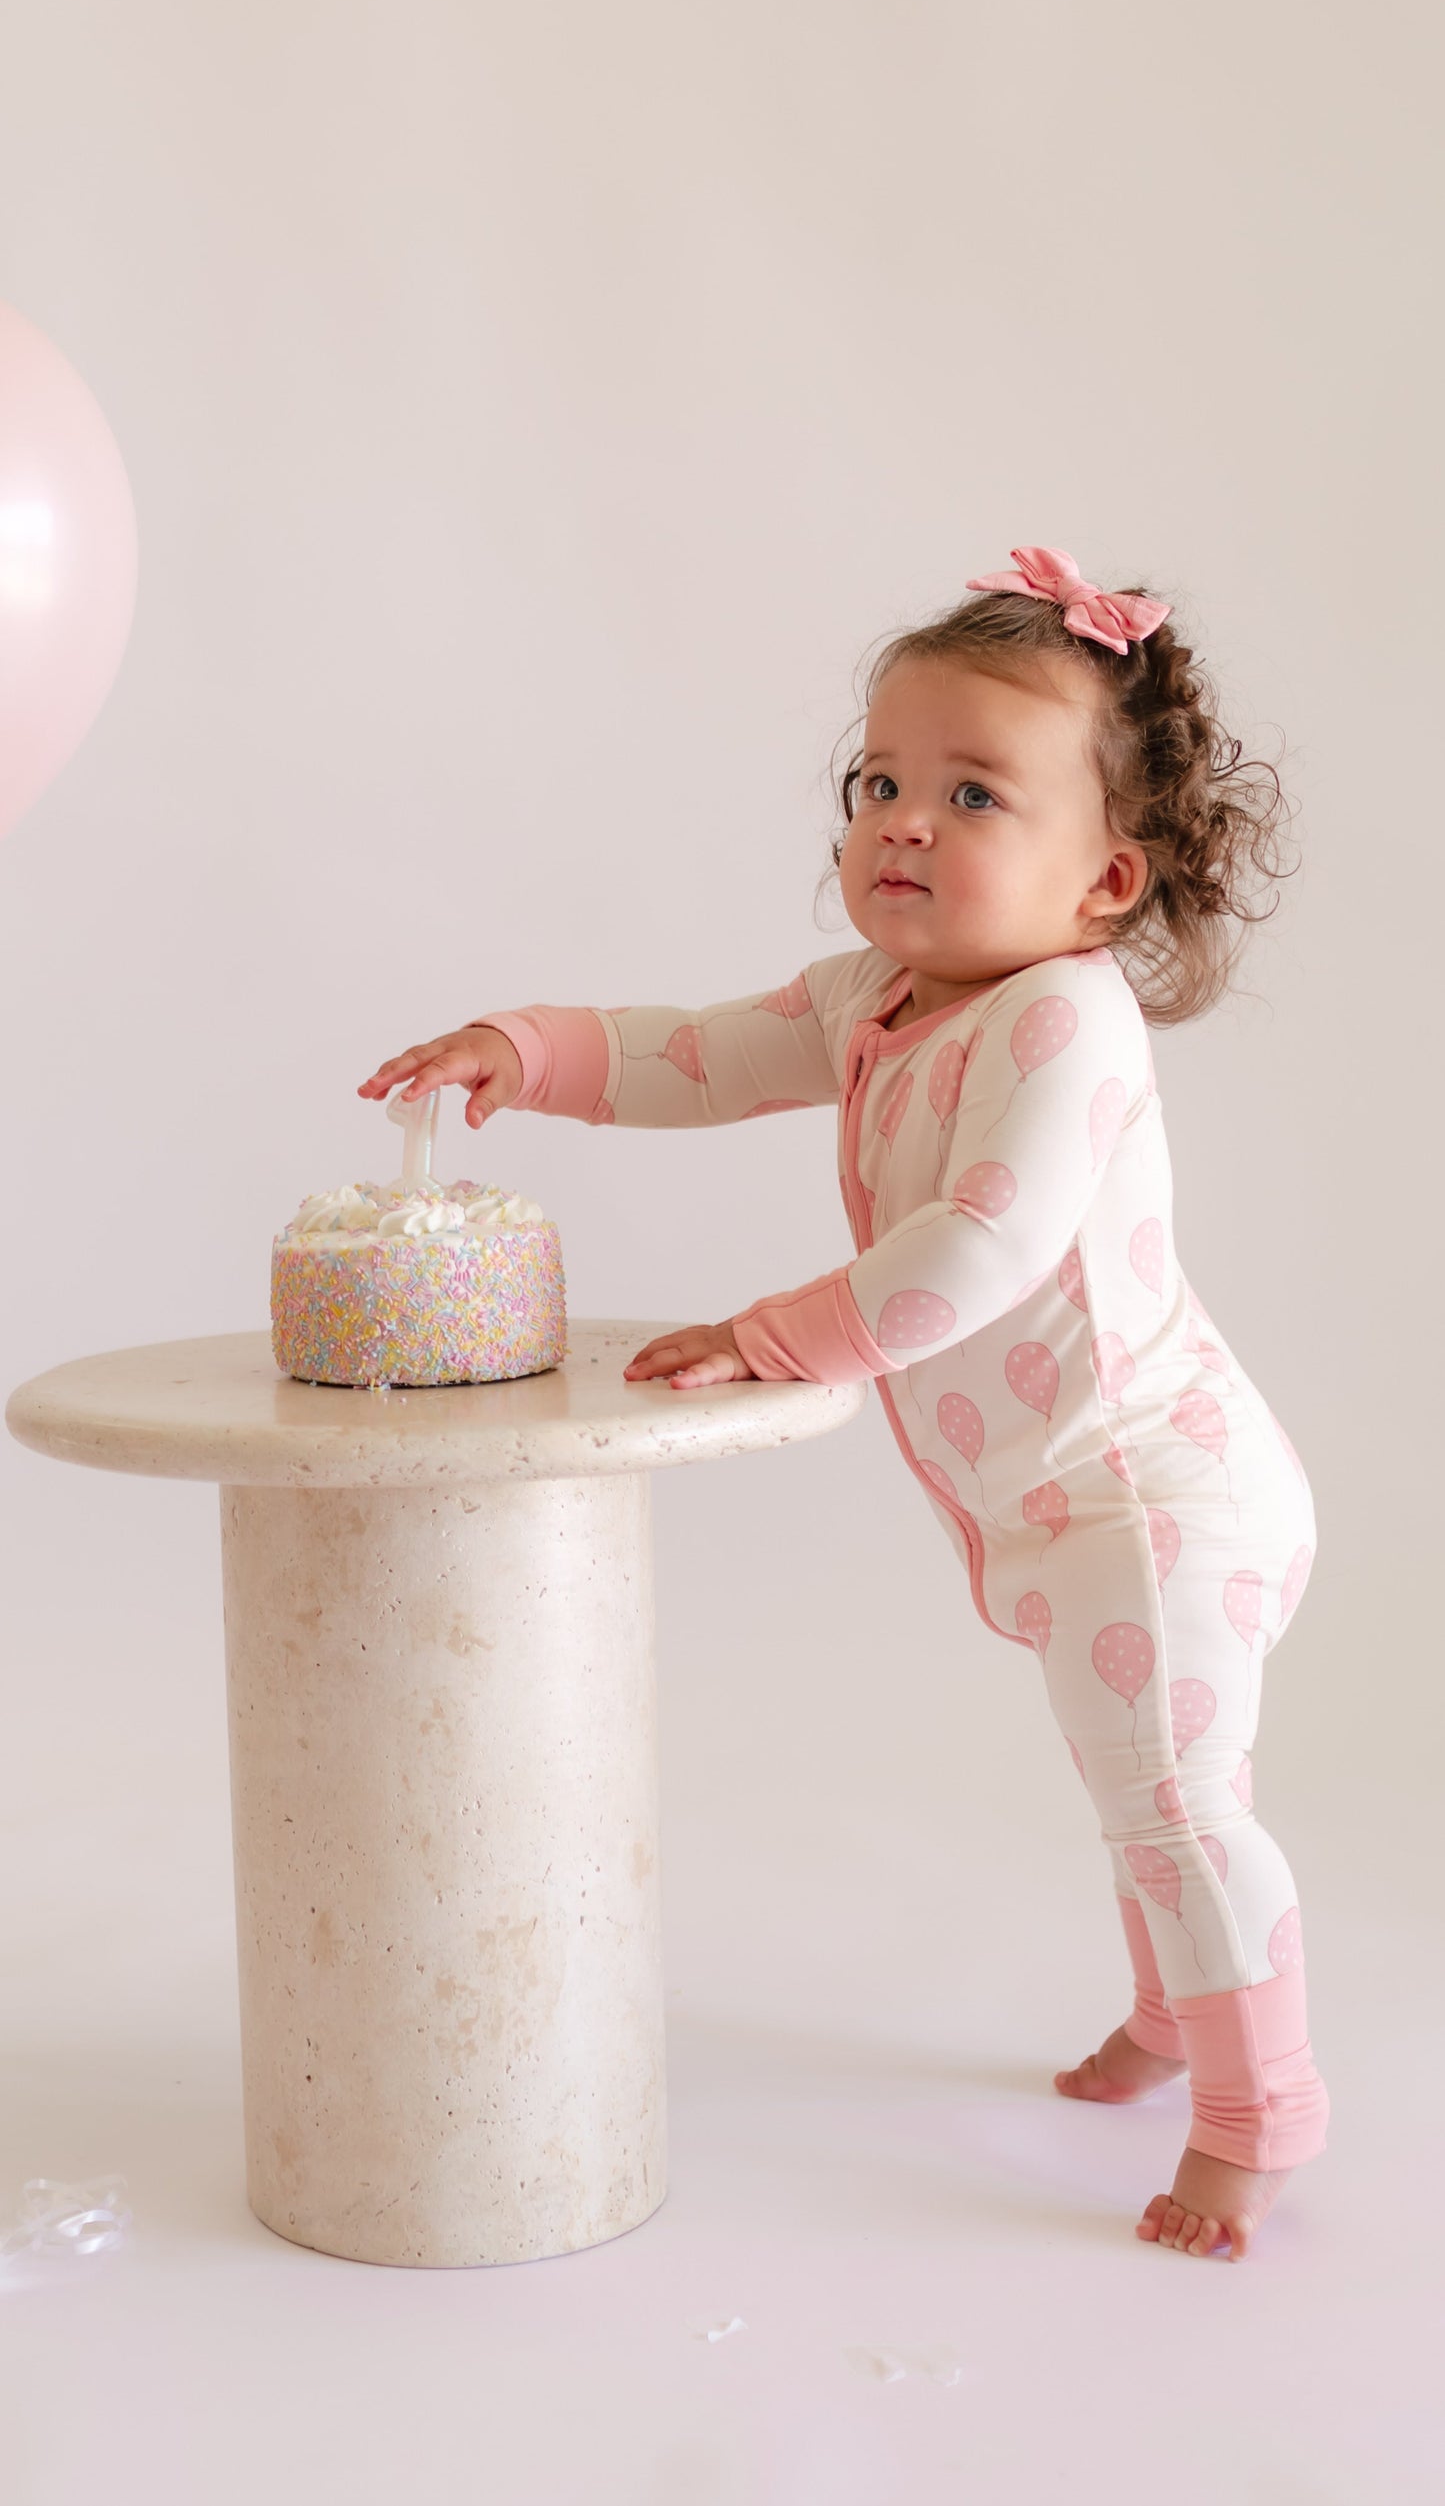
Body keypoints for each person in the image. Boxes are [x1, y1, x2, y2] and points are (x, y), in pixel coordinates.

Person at [358, 544, 1326, 2262]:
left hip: (1152, 1498)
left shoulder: (1063, 1024)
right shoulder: (872, 1000)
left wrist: (782, 1331)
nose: (902, 823)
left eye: (972, 794)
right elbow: (696, 1052)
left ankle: (1257, 2120)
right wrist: (529, 1048)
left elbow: (986, 1243)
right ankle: (1170, 2013)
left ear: (1105, 879)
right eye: (879, 781)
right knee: (1139, 1791)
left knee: (1177, 1806)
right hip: (1055, 1507)